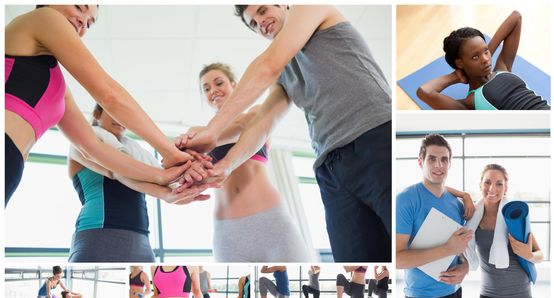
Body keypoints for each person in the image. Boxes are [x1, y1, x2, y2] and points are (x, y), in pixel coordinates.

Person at [177, 5, 392, 262]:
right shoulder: (285, 73)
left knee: (402, 243)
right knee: (356, 262)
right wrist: (226, 166)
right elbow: (263, 122)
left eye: (263, 10)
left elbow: (267, 66)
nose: (261, 22)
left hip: (373, 136)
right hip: (329, 167)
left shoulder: (312, 9)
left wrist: (212, 131)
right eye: (254, 23)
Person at [5, 5, 196, 206]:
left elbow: (92, 148)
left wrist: (163, 181)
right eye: (79, 7)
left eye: (89, 22)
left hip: (11, 166)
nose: (83, 22)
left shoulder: (58, 87)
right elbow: (109, 95)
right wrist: (171, 153)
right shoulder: (43, 17)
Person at [176, 63, 311, 262]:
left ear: (234, 85)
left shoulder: (255, 114)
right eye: (206, 89)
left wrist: (202, 140)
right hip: (229, 232)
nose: (213, 90)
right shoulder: (196, 130)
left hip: (273, 221)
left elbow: (248, 121)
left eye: (218, 83)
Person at [67, 104, 214, 262]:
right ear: (97, 113)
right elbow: (119, 173)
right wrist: (166, 187)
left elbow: (163, 176)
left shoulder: (135, 150)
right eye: (113, 112)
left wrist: (191, 168)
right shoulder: (82, 143)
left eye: (124, 116)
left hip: (141, 240)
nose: (120, 120)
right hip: (98, 234)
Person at [396, 134, 473, 298]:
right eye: (432, 159)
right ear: (421, 162)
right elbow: (397, 259)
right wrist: (447, 248)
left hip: (452, 293)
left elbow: (461, 249)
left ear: (450, 164)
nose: (439, 165)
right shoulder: (406, 200)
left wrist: (465, 268)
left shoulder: (457, 204)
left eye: (444, 159)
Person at [458, 164, 544, 298]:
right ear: (480, 184)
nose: (492, 188)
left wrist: (528, 254)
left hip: (519, 295)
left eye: (499, 184)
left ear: (506, 188)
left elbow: (540, 254)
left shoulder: (513, 215)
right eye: (487, 182)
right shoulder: (472, 216)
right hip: (489, 293)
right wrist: (465, 196)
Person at [417, 11, 550, 110]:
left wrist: (484, 54)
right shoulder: (470, 102)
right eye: (475, 57)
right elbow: (424, 91)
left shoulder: (503, 68)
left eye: (485, 51)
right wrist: (456, 76)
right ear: (459, 63)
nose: (486, 60)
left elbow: (516, 17)